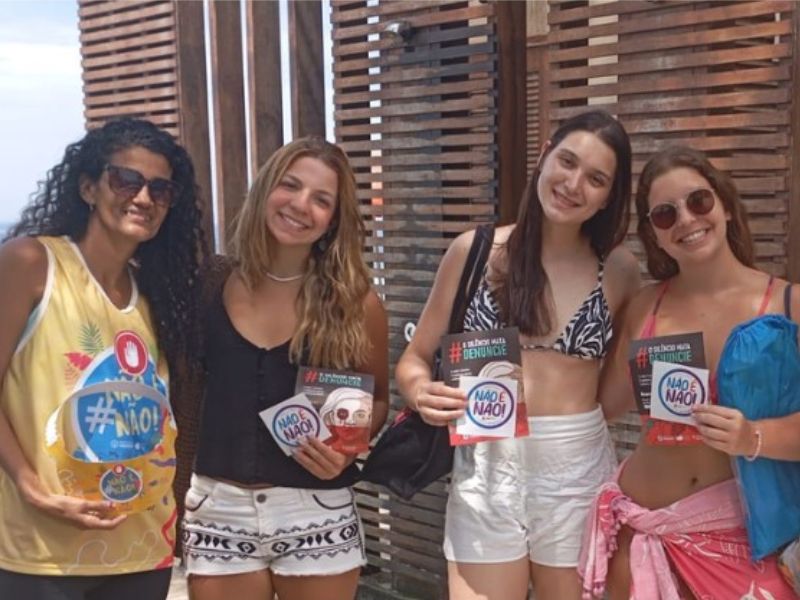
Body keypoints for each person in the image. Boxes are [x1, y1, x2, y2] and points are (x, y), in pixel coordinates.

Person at [395, 110, 641, 600]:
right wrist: (422, 392)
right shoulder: (475, 250)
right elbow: (414, 358)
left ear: (609, 196)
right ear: (544, 154)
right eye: (567, 162)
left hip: (575, 470)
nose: (573, 184)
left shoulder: (618, 270)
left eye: (596, 179)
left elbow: (614, 394)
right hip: (487, 463)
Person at [0, 118, 207, 598]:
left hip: (142, 549)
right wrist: (30, 486)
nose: (144, 197)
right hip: (38, 552)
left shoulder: (159, 295)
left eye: (160, 189)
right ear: (88, 188)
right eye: (126, 180)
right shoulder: (32, 264)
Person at [581, 146, 798, 599]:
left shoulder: (789, 305)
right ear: (654, 235)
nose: (686, 220)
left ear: (725, 206)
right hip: (642, 536)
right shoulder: (644, 306)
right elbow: (602, 406)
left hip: (743, 545)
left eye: (698, 201)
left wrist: (753, 436)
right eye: (665, 214)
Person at [180, 137, 389, 600]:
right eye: (290, 186)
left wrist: (346, 450)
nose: (300, 205)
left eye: (321, 199)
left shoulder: (355, 303)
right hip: (218, 509)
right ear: (264, 189)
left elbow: (376, 398)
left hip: (316, 509)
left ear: (334, 219)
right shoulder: (210, 282)